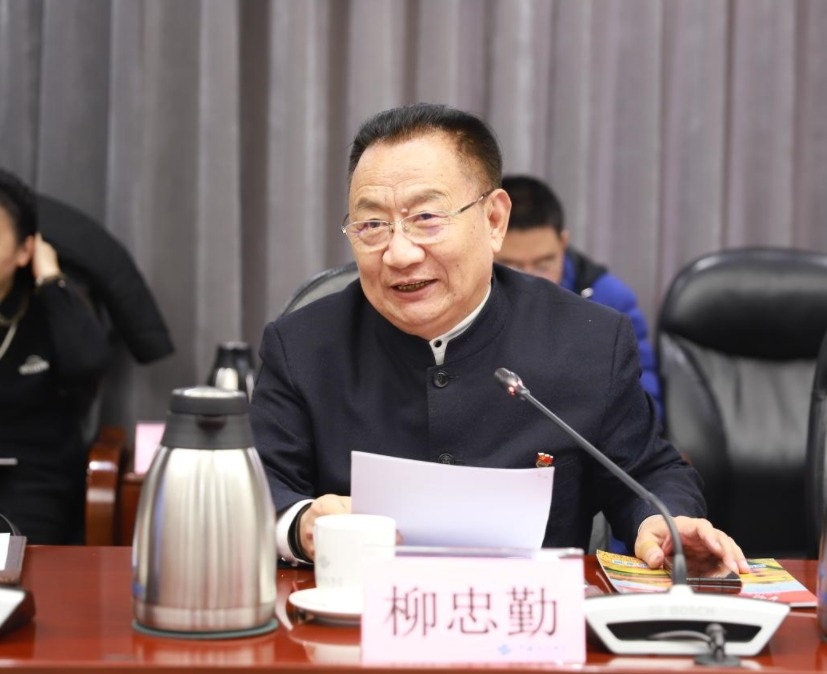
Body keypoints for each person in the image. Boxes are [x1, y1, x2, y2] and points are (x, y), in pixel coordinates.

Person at [250, 103, 748, 576]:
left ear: (493, 220)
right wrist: (299, 525)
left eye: (426, 218)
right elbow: (260, 486)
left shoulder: (589, 341)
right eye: (373, 225)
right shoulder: (301, 347)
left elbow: (649, 473)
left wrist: (662, 523)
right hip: (354, 619)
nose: (399, 254)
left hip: (527, 621)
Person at [0, 168, 111, 544]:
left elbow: (88, 361)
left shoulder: (47, 308)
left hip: (32, 480)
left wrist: (49, 277)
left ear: (25, 250)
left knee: (14, 560)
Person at [496, 175, 662, 420]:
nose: (528, 280)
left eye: (543, 265)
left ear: (563, 244)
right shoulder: (460, 303)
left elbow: (644, 408)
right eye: (512, 267)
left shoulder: (609, 301)